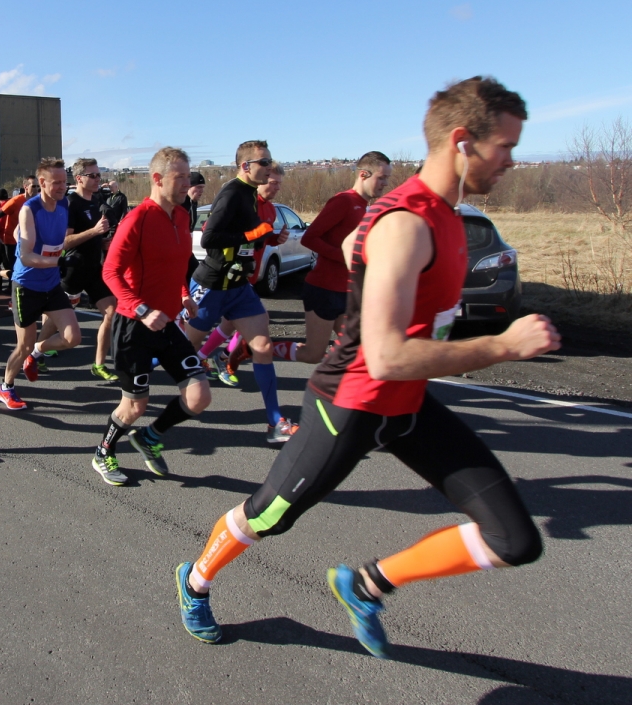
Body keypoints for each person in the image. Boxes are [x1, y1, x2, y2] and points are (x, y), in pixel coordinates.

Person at [175, 77, 556, 657]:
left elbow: (357, 240)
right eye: (503, 146)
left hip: (406, 405)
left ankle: (367, 585)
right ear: (461, 140)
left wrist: (367, 255)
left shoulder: (443, 216)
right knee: (268, 517)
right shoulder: (407, 220)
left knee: (514, 538)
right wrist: (502, 346)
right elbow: (386, 355)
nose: (510, 160)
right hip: (348, 404)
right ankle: (196, 581)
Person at [87, 148, 209, 485]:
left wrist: (184, 295)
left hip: (167, 322)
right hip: (133, 325)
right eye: (180, 177)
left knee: (199, 395)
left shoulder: (182, 216)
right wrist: (142, 308)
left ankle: (150, 437)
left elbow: (177, 264)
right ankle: (103, 453)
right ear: (157, 179)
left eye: (189, 176)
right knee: (134, 406)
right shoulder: (137, 219)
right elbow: (109, 272)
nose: (188, 183)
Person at [187, 140, 298, 444]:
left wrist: (269, 237)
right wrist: (252, 234)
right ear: (245, 166)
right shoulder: (233, 192)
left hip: (238, 286)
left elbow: (250, 243)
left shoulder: (253, 196)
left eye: (269, 160)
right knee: (181, 351)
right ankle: (135, 370)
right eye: (263, 162)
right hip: (213, 284)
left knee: (261, 345)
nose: (268, 166)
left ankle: (275, 421)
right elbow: (210, 238)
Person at [268, 152, 394, 364]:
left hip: (347, 292)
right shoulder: (344, 201)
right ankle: (256, 349)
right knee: (313, 354)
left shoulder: (365, 207)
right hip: (324, 290)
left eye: (387, 179)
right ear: (363, 174)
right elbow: (309, 238)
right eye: (381, 178)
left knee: (358, 350)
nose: (385, 184)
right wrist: (345, 257)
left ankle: (340, 390)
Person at [0, 158, 82, 411]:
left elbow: (61, 242)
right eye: (56, 183)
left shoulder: (64, 204)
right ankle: (6, 387)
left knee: (73, 337)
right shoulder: (29, 209)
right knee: (21, 346)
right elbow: (26, 256)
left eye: (64, 183)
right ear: (42, 183)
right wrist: (58, 263)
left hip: (51, 284)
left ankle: (38, 351)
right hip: (27, 285)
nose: (61, 187)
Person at [40, 158, 118, 382]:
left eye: (98, 175)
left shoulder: (96, 201)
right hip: (74, 269)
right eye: (92, 175)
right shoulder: (69, 203)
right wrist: (94, 232)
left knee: (111, 312)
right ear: (79, 178)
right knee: (56, 318)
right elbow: (64, 242)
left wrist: (103, 241)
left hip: (94, 269)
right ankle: (36, 351)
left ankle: (99, 364)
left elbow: (95, 235)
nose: (96, 180)